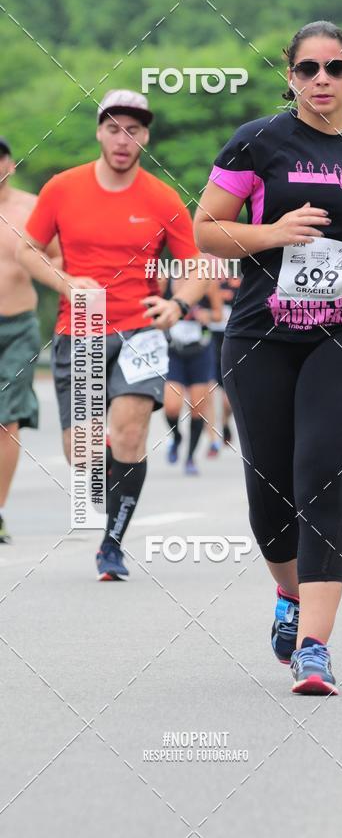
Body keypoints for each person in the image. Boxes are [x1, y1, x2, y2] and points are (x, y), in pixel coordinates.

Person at [194, 20, 342, 694]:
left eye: (335, 67)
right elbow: (205, 228)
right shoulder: (258, 140)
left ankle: (316, 649)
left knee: (322, 476)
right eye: (308, 69)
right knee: (271, 495)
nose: (322, 79)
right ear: (290, 76)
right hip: (262, 333)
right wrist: (273, 232)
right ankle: (290, 596)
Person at [17, 90, 207, 578]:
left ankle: (112, 545)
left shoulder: (162, 198)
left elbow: (195, 267)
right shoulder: (63, 188)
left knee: (129, 434)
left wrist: (177, 302)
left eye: (135, 130)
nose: (124, 140)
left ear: (146, 137)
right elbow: (28, 251)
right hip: (77, 332)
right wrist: (66, 282)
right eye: (114, 128)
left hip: (140, 332)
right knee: (79, 454)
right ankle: (108, 477)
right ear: (99, 132)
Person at [0, 137, 61, 543]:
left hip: (17, 327)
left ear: (10, 164)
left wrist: (33, 266)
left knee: (7, 419)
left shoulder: (29, 207)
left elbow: (57, 256)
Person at [164, 280, 222, 475]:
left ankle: (189, 457)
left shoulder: (207, 282)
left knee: (197, 409)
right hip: (174, 352)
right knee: (171, 406)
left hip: (200, 351)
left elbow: (218, 314)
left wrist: (208, 316)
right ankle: (177, 436)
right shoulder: (166, 279)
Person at [208, 268, 241, 450]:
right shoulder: (202, 280)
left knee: (228, 397)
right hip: (208, 339)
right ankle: (213, 438)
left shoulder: (238, 281)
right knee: (206, 393)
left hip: (230, 338)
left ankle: (226, 423)